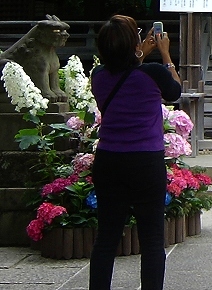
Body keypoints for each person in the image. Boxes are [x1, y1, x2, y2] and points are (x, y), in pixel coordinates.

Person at [89, 15, 182, 290]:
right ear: (133, 43)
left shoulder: (98, 76)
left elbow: (124, 73)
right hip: (145, 162)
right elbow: (174, 91)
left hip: (108, 161)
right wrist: (165, 54)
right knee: (152, 240)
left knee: (106, 238)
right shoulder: (153, 72)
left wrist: (140, 52)